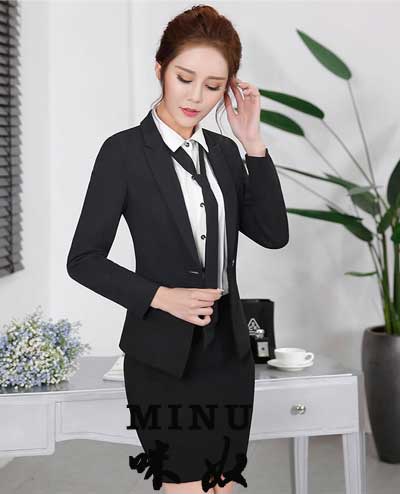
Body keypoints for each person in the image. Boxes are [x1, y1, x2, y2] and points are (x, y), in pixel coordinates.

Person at [66, 4, 289, 493]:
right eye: (185, 78)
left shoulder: (226, 153)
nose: (195, 96)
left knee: (222, 486)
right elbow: (83, 261)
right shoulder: (123, 153)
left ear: (227, 89)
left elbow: (273, 234)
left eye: (213, 86)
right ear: (160, 69)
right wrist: (161, 296)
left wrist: (252, 142)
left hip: (229, 353)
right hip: (163, 357)